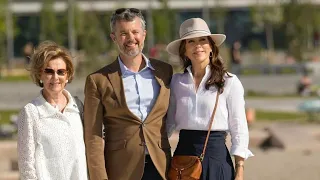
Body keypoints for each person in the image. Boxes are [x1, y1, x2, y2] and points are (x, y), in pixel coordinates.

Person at [84, 8, 173, 180]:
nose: (131, 38)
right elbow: (93, 136)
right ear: (114, 37)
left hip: (161, 166)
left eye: (135, 32)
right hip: (121, 169)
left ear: (144, 34)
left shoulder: (164, 71)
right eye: (123, 33)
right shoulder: (98, 80)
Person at [166, 18, 253, 180]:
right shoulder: (176, 82)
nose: (197, 45)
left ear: (211, 47)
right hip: (182, 160)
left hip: (216, 159)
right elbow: (168, 124)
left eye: (203, 40)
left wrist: (239, 169)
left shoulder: (229, 81)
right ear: (184, 50)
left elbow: (239, 127)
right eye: (191, 41)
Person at [17, 41, 88, 180]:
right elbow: (26, 166)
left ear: (67, 76)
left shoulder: (78, 108)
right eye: (49, 71)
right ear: (40, 75)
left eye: (61, 72)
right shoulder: (30, 113)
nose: (55, 77)